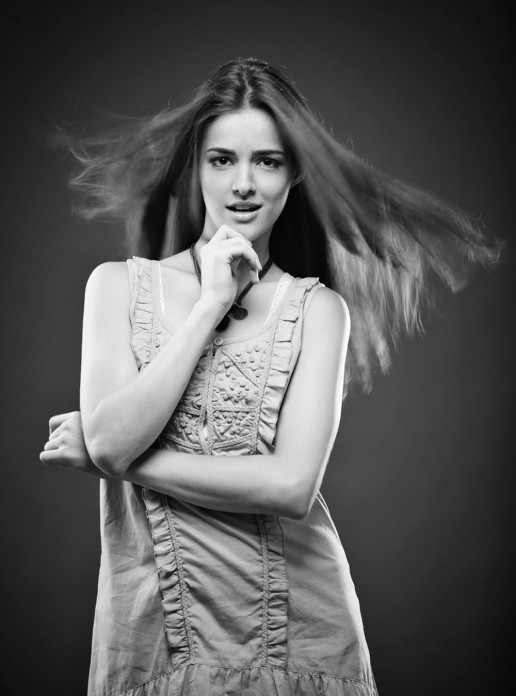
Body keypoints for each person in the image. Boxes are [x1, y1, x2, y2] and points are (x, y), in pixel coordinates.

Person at [40, 58, 498, 696]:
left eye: (268, 161)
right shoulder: (116, 287)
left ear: (295, 173)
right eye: (222, 160)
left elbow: (290, 486)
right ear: (195, 167)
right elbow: (114, 440)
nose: (243, 184)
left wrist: (108, 457)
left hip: (297, 637)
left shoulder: (318, 311)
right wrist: (210, 305)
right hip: (152, 640)